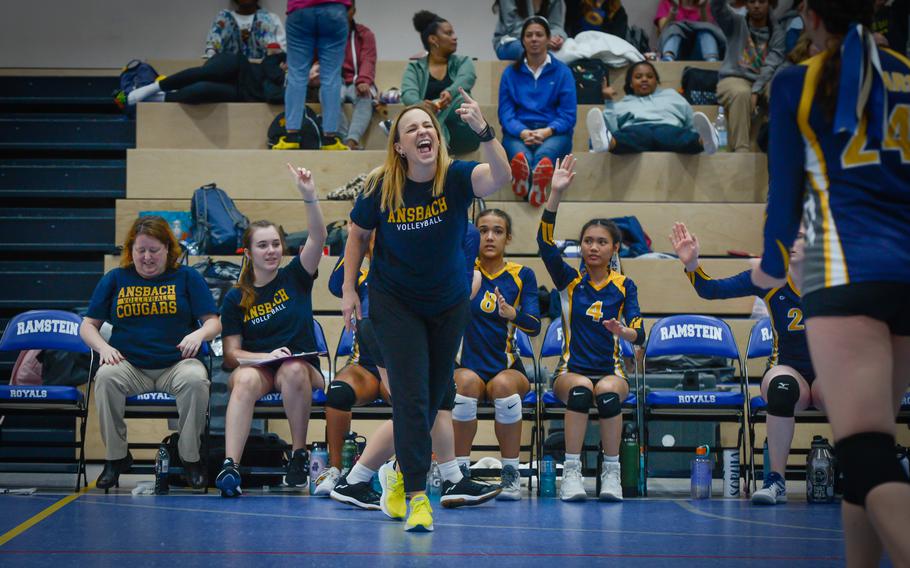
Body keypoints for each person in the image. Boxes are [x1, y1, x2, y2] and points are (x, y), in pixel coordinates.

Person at [751, 1, 910, 563]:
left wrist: (767, 271)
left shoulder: (798, 80)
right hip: (905, 271)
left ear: (812, 18)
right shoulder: (904, 71)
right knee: (869, 447)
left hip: (843, 271)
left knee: (864, 449)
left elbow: (784, 201)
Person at [341, 91, 511, 531]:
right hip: (395, 303)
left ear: (438, 138)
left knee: (436, 398)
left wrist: (484, 131)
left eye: (428, 126)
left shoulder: (455, 177)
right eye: (411, 128)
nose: (422, 132)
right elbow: (357, 236)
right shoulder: (381, 185)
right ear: (399, 145)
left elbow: (501, 176)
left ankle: (395, 476)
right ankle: (418, 496)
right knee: (413, 398)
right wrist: (348, 291)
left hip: (448, 304)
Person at [326, 224, 499, 510]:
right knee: (415, 409)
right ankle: (356, 480)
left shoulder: (452, 227)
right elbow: (338, 284)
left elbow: (463, 270)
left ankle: (451, 479)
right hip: (390, 322)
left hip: (412, 322)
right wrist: (358, 232)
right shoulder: (407, 222)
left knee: (438, 401)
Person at [669, 222, 819, 505]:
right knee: (781, 387)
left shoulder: (836, 280)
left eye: (798, 236)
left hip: (828, 373)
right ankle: (776, 481)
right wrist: (692, 265)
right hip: (789, 369)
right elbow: (711, 290)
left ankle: (858, 477)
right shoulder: (769, 278)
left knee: (851, 390)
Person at [80, 216, 221, 490]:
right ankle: (116, 458)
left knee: (196, 381)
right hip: (130, 365)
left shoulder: (187, 277)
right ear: (130, 250)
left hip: (176, 365)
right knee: (106, 377)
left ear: (168, 249)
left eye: (154, 250)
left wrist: (199, 334)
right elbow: (87, 327)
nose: (146, 257)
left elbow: (214, 322)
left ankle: (189, 457)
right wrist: (104, 347)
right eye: (140, 250)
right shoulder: (115, 279)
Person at [214, 165, 328, 498]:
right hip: (259, 368)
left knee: (293, 369)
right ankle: (230, 466)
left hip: (300, 368)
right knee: (247, 378)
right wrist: (265, 357)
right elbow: (233, 355)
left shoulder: (296, 275)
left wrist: (309, 195)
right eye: (263, 246)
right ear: (248, 253)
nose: (272, 251)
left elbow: (318, 237)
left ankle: (298, 455)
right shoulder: (236, 297)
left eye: (276, 244)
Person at [537, 155, 645, 501]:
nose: (593, 247)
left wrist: (624, 332)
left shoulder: (625, 285)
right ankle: (572, 472)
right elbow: (543, 244)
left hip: (611, 370)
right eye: (587, 241)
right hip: (571, 371)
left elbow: (640, 330)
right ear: (580, 247)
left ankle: (610, 473)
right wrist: (555, 194)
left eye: (601, 241)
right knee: (582, 391)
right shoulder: (569, 282)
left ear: (614, 248)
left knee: (609, 394)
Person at [453, 209, 541, 500]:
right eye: (482, 230)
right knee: (463, 385)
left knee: (503, 387)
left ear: (508, 237)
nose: (489, 237)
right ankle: (459, 473)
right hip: (468, 366)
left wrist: (513, 314)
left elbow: (535, 326)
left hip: (507, 367)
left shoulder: (521, 275)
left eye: (498, 231)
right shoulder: (459, 269)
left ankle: (510, 474)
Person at [314, 235, 389, 496]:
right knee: (337, 392)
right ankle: (336, 470)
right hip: (365, 366)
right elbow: (335, 284)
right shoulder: (358, 279)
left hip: (399, 363)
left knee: (413, 400)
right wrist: (356, 237)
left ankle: (403, 472)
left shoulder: (406, 276)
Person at [499, 16, 577, 207]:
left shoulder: (563, 72)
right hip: (518, 133)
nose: (534, 39)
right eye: (529, 35)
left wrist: (547, 131)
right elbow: (506, 113)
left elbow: (568, 114)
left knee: (544, 156)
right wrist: (523, 131)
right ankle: (531, 181)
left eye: (539, 34)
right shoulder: (510, 73)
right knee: (521, 158)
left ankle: (528, 182)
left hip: (553, 133)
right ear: (523, 40)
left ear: (548, 38)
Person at [586, 61, 719, 154]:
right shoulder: (623, 103)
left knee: (678, 137)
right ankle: (608, 142)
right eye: (638, 77)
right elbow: (614, 128)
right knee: (631, 136)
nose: (644, 79)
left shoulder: (672, 95)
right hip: (637, 131)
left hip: (668, 129)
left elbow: (689, 121)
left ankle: (704, 141)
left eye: (649, 76)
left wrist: (693, 134)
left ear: (656, 81)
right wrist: (609, 102)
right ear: (631, 83)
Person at [274, 0, 349, 151]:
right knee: (331, 77)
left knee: (297, 74)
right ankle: (330, 140)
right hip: (334, 9)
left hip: (300, 9)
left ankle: (292, 137)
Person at [711, 0, 786, 152]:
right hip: (733, 77)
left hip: (763, 80)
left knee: (778, 90)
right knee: (741, 93)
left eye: (762, 1)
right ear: (745, 4)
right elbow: (717, 8)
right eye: (752, 1)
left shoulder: (778, 33)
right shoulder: (735, 23)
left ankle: (782, 146)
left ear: (770, 4)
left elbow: (771, 65)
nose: (757, 5)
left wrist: (756, 90)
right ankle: (741, 151)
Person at [401, 11, 479, 156]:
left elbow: (467, 78)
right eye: (448, 33)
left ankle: (436, 138)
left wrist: (449, 92)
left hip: (462, 131)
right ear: (433, 39)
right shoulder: (415, 68)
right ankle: (438, 137)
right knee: (418, 112)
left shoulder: (463, 62)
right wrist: (422, 105)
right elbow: (407, 94)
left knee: (462, 99)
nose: (455, 37)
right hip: (426, 128)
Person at [116, 51, 287, 107]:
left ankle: (156, 98)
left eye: (316, 78)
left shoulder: (302, 91)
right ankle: (153, 87)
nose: (315, 75)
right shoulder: (297, 59)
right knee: (209, 72)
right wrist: (277, 78)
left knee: (202, 90)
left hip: (242, 93)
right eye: (315, 70)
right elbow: (269, 60)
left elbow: (271, 95)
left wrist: (277, 75)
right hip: (240, 66)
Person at [337, 0, 377, 150]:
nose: (342, 12)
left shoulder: (365, 34)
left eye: (347, 9)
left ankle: (351, 141)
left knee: (366, 96)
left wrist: (364, 80)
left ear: (353, 11)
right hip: (335, 82)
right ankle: (341, 141)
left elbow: (369, 59)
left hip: (357, 81)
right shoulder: (326, 35)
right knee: (329, 94)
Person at [204, 0, 286, 59]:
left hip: (261, 68)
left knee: (263, 17)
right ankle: (214, 60)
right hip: (230, 69)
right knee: (223, 17)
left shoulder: (270, 18)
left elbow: (284, 49)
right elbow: (212, 45)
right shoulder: (224, 18)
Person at [493, 0, 568, 60]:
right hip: (511, 42)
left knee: (569, 49)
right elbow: (513, 28)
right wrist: (543, 39)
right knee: (533, 51)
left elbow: (557, 26)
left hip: (545, 41)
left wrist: (557, 38)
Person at [655, 0, 724, 62]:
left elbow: (711, 29)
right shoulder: (667, 3)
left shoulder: (705, 5)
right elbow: (663, 32)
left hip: (700, 53)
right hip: (678, 52)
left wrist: (702, 9)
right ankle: (668, 58)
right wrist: (674, 9)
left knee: (706, 30)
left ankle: (712, 61)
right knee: (674, 28)